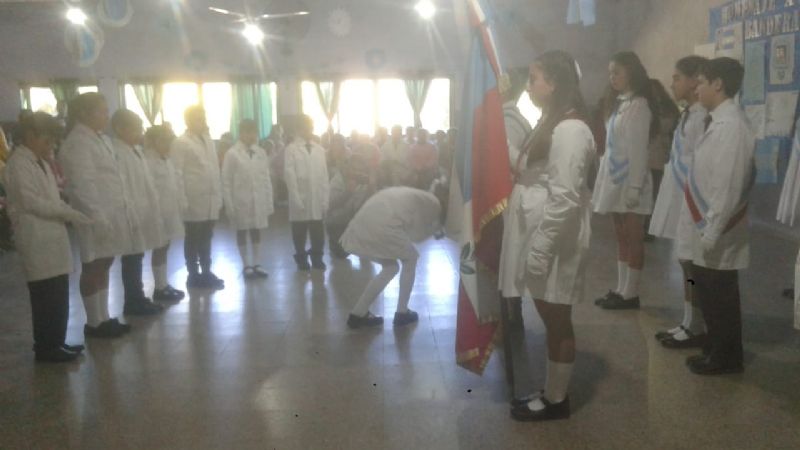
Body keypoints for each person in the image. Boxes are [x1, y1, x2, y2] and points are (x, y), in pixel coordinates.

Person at [508, 51, 596, 422]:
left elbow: (565, 198)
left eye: (534, 79)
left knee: (557, 318)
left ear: (555, 83)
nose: (528, 86)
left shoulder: (571, 129)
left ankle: (557, 400)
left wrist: (541, 250)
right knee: (550, 314)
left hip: (557, 237)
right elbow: (531, 168)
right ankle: (550, 391)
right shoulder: (552, 120)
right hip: (544, 231)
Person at [681, 57, 755, 375]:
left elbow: (728, 185)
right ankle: (714, 347)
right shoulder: (717, 121)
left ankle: (726, 357)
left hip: (719, 228)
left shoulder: (733, 127)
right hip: (707, 223)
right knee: (709, 292)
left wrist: (712, 230)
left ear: (718, 84)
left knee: (720, 294)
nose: (696, 88)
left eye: (701, 82)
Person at [4, 112, 92, 362]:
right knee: (45, 295)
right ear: (30, 136)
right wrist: (67, 213)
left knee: (58, 291)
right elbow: (31, 202)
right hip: (36, 236)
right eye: (47, 140)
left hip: (52, 235)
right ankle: (45, 347)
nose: (51, 146)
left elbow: (52, 198)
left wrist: (67, 210)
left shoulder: (39, 162)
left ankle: (57, 341)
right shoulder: (19, 164)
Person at [58, 93, 131, 338]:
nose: (106, 115)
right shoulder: (77, 143)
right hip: (93, 215)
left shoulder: (99, 139)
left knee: (105, 263)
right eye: (101, 111)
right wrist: (97, 216)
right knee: (93, 266)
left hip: (110, 213)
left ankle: (104, 317)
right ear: (84, 114)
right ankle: (93, 322)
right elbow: (83, 185)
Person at [649, 56, 709, 349]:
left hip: (692, 196)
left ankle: (697, 323)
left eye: (677, 78)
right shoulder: (689, 114)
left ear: (695, 79)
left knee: (692, 264)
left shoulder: (702, 117)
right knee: (685, 262)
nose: (672, 84)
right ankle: (689, 319)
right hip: (680, 191)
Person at [592, 51, 659, 310]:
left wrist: (634, 187)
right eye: (610, 73)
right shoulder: (620, 104)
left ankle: (631, 293)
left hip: (631, 181)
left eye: (617, 72)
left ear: (631, 72)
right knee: (621, 237)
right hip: (615, 180)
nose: (612, 77)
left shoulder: (639, 106)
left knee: (633, 238)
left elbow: (638, 150)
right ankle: (620, 289)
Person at [342, 185, 446, 329]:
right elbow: (417, 236)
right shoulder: (434, 203)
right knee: (410, 259)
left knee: (390, 268)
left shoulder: (419, 196)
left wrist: (431, 230)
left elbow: (411, 228)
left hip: (363, 224)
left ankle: (357, 314)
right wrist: (435, 231)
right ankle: (402, 313)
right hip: (383, 225)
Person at [112, 109, 165, 316]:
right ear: (120, 129)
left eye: (140, 128)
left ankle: (139, 297)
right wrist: (132, 210)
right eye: (135, 129)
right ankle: (132, 301)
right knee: (131, 258)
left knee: (137, 255)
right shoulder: (117, 152)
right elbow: (123, 185)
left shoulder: (135, 150)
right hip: (130, 211)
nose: (139, 133)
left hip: (142, 210)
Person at [171, 106, 224, 289]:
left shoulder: (208, 140)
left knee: (207, 237)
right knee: (193, 237)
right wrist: (182, 198)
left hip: (210, 197)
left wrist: (218, 194)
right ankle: (193, 274)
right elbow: (177, 172)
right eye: (198, 118)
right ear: (188, 121)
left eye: (203, 118)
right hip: (193, 197)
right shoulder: (181, 142)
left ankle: (207, 271)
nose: (202, 122)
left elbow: (214, 169)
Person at [498, 67, 535, 325]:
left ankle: (511, 315)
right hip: (507, 195)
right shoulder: (507, 116)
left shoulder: (509, 120)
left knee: (508, 254)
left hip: (507, 196)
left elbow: (508, 163)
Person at [222, 119, 274, 279]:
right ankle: (246, 265)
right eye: (248, 132)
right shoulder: (232, 154)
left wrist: (269, 200)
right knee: (242, 230)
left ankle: (257, 263)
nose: (252, 136)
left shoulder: (261, 152)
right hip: (240, 199)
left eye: (254, 132)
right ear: (241, 133)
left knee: (256, 229)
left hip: (258, 198)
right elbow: (226, 181)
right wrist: (229, 204)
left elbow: (266, 177)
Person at [143, 125, 186, 302]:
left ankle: (164, 284)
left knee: (165, 246)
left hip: (169, 210)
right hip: (157, 212)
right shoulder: (148, 161)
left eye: (169, 140)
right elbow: (149, 189)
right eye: (163, 141)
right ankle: (159, 288)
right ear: (153, 142)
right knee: (159, 247)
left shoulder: (167, 159)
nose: (167, 144)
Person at [284, 115, 330, 271]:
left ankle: (317, 257)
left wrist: (325, 198)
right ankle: (301, 258)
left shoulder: (319, 149)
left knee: (318, 231)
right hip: (300, 195)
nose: (309, 131)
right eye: (306, 128)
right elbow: (289, 176)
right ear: (298, 130)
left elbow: (324, 176)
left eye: (311, 128)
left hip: (316, 196)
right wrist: (295, 197)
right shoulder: (291, 149)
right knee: (299, 231)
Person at [644, 79, 680, 240]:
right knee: (649, 194)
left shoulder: (666, 110)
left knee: (654, 194)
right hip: (649, 156)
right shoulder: (649, 107)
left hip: (657, 156)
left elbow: (665, 128)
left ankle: (650, 228)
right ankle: (647, 226)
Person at [326, 154, 374, 259]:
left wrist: (370, 190)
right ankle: (335, 242)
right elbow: (329, 205)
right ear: (348, 167)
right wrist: (347, 193)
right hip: (337, 220)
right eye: (354, 169)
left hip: (353, 219)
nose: (357, 173)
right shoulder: (337, 180)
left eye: (360, 170)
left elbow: (364, 208)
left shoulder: (362, 181)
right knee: (342, 254)